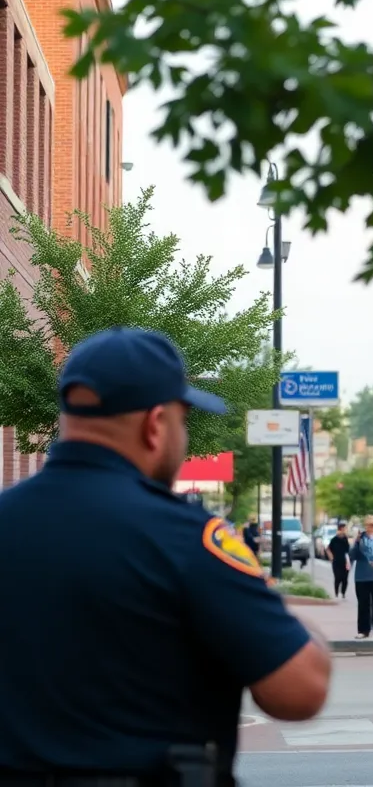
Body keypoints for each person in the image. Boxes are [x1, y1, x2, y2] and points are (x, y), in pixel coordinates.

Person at [0, 327, 331, 785]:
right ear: (155, 424)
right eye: (183, 420)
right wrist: (282, 611)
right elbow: (300, 691)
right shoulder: (186, 539)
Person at [327, 520, 352, 598]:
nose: (345, 530)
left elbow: (349, 550)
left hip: (345, 562)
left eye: (345, 529)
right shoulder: (334, 539)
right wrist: (331, 557)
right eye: (344, 529)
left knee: (345, 578)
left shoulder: (346, 539)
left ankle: (343, 593)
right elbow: (328, 548)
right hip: (336, 561)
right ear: (340, 529)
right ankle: (336, 593)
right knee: (337, 577)